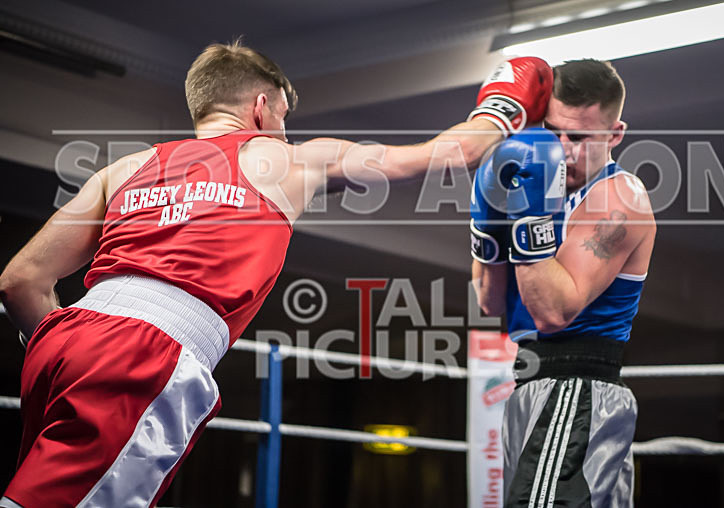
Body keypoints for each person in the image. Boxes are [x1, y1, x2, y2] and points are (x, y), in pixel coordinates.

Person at [0, 40, 553, 507]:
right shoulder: (290, 160)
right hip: (142, 355)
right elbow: (441, 157)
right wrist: (502, 108)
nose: (285, 129)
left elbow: (20, 280)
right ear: (262, 107)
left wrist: (73, 345)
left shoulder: (125, 168)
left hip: (63, 341)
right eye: (284, 116)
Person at [471, 59, 656, 507]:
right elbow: (490, 300)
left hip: (575, 388)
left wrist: (525, 213)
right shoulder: (541, 184)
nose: (564, 150)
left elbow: (554, 311)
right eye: (553, 132)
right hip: (533, 383)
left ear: (614, 135)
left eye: (579, 137)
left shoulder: (618, 198)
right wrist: (488, 218)